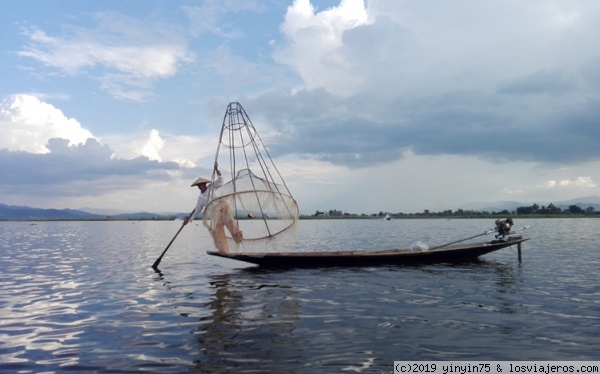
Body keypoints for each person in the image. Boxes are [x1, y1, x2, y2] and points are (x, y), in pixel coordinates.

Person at [184, 162, 242, 253]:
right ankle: (224, 250)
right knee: (217, 233)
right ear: (198, 187)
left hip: (223, 209)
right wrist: (189, 219)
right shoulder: (200, 198)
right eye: (199, 186)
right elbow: (197, 210)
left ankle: (238, 238)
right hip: (216, 214)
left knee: (232, 227)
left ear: (205, 184)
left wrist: (216, 169)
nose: (201, 187)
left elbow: (221, 180)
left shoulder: (211, 187)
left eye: (202, 185)